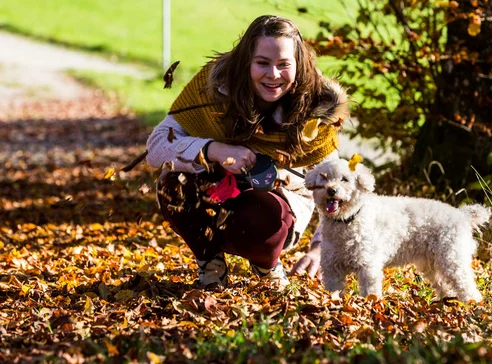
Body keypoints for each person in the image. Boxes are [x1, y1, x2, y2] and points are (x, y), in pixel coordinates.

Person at [145, 15, 349, 289]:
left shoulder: (315, 108)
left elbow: (334, 183)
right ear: (246, 61)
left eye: (284, 64)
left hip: (273, 207)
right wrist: (213, 149)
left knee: (263, 217)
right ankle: (210, 262)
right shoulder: (214, 87)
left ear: (298, 66)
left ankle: (267, 265)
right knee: (173, 185)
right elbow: (156, 147)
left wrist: (320, 248)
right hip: (214, 190)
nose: (273, 75)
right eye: (262, 63)